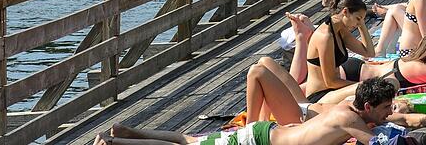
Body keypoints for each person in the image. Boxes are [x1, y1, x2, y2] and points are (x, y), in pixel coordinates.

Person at [94, 78, 401, 145]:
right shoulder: (350, 118)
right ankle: (113, 143)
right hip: (258, 140)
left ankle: (125, 132)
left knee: (188, 139)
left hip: (263, 134)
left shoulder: (348, 110)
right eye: (386, 107)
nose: (390, 112)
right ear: (369, 107)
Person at [304, 0, 374, 104]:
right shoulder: (325, 36)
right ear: (345, 12)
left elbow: (369, 52)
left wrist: (362, 25)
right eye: (358, 18)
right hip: (320, 95)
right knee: (370, 91)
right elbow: (330, 81)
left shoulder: (340, 29)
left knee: (376, 88)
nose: (358, 23)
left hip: (334, 90)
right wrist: (362, 84)